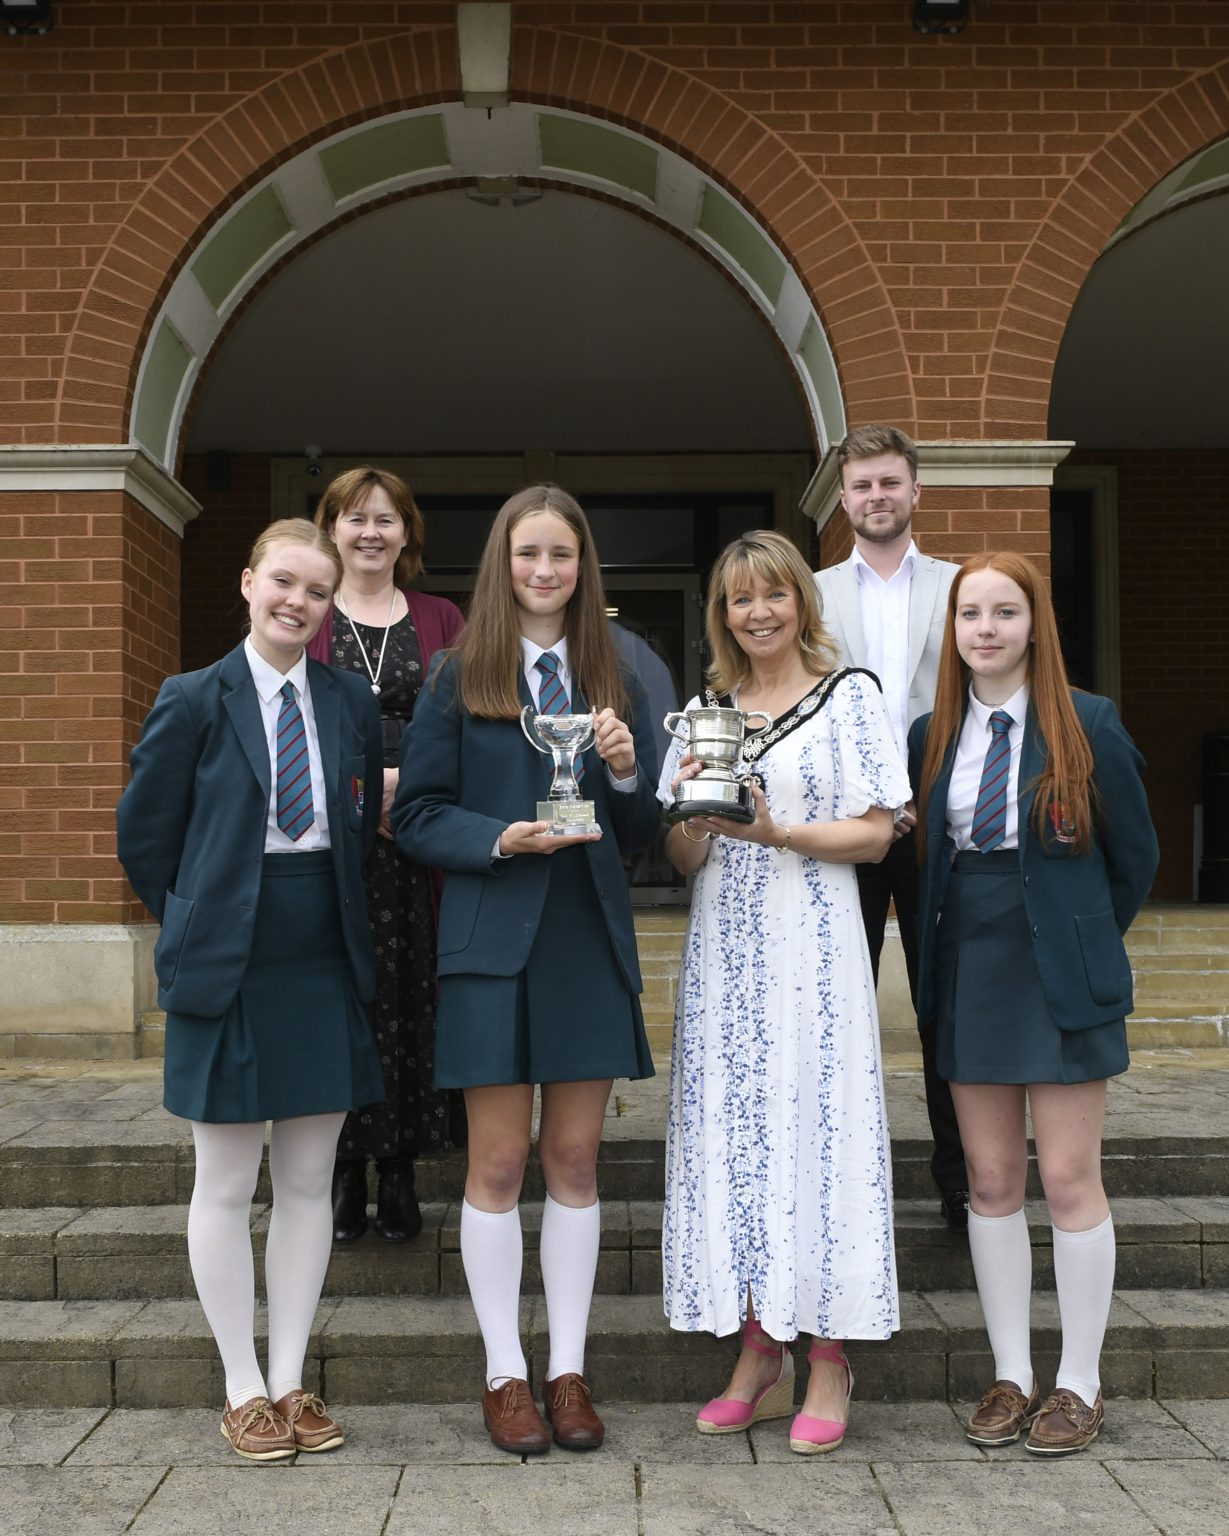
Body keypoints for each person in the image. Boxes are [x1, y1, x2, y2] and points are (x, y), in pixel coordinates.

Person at [392, 484, 660, 1455]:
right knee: (499, 1162)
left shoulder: (614, 675)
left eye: (561, 555)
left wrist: (627, 772)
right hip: (491, 943)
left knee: (576, 1161)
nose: (544, 571)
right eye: (526, 554)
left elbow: (639, 832)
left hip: (585, 939)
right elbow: (414, 814)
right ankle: (505, 1373)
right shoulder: (454, 674)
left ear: (582, 568)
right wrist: (497, 838)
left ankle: (568, 1372)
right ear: (501, 566)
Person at [116, 519, 385, 1462]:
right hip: (228, 957)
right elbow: (145, 838)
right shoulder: (191, 698)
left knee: (310, 1181)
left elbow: (357, 827)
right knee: (227, 1183)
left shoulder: (351, 700)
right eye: (283, 582)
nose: (298, 603)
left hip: (321, 952)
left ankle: (292, 1378)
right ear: (246, 581)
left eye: (316, 591)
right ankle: (240, 1385)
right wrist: (203, 917)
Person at [660, 530, 910, 1454]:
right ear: (720, 615)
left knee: (819, 1128)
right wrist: (692, 805)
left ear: (801, 600)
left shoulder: (850, 698)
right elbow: (685, 855)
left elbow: (879, 833)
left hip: (813, 942)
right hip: (725, 948)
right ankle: (759, 1350)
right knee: (739, 1137)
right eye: (737, 600)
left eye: (772, 595)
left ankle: (830, 1355)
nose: (756, 613)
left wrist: (777, 834)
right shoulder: (703, 710)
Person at [910, 551, 1158, 1456]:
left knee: (1065, 1179)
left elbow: (1133, 857)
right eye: (969, 613)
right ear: (954, 631)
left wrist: (1082, 931)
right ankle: (1010, 1375)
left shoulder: (1086, 722)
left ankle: (1077, 1384)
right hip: (970, 967)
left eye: (1003, 612)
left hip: (1061, 970)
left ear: (1033, 624)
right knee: (989, 1181)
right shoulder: (930, 732)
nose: (984, 629)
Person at [815, 424, 969, 1229]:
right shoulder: (808, 593)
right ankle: (847, 1184)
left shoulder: (960, 586)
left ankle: (961, 1182)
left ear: (915, 492)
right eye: (861, 485)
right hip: (844, 834)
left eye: (889, 483)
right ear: (843, 499)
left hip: (940, 827)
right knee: (840, 1006)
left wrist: (917, 797)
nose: (875, 496)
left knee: (942, 1004)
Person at [308, 467, 465, 1245]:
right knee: (346, 1003)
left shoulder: (441, 616)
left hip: (420, 842)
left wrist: (414, 791)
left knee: (411, 1003)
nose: (370, 532)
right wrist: (361, 796)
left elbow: (472, 718)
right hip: (337, 848)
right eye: (354, 518)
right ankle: (344, 1170)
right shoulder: (307, 612)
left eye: (386, 519)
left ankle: (399, 1167)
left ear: (407, 533)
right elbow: (289, 728)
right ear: (330, 527)